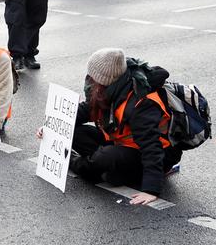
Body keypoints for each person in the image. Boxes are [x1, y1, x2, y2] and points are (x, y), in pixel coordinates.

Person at [40, 48, 182, 205]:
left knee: (103, 159)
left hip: (155, 153)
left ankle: (77, 163)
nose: (88, 78)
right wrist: (52, 127)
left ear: (102, 79)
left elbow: (151, 146)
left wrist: (151, 190)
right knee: (75, 132)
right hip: (122, 143)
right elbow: (86, 110)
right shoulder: (111, 88)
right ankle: (111, 171)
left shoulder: (140, 101)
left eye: (91, 75)